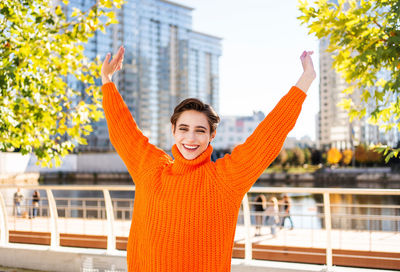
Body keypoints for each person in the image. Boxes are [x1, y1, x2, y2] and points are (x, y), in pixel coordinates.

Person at [101, 45, 315, 271]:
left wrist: (306, 78)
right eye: (183, 129)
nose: (190, 138)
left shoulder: (225, 179)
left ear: (212, 134)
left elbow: (269, 134)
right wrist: (107, 80)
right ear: (173, 130)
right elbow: (122, 129)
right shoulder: (151, 169)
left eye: (200, 130)